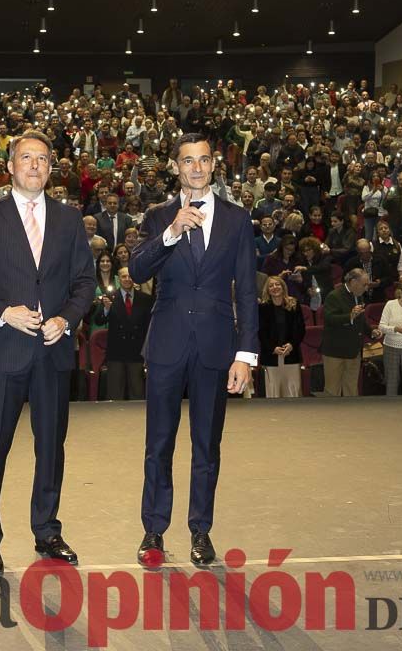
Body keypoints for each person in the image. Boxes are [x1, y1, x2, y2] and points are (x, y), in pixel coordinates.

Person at [0, 130, 95, 574]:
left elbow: (85, 283)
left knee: (51, 447)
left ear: (51, 169)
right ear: (10, 167)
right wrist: (3, 313)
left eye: (42, 159)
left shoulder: (71, 220)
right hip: (6, 349)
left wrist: (66, 319)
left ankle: (47, 530)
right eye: (26, 158)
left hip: (53, 351)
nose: (34, 165)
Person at [129, 133, 258, 568]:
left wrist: (246, 355)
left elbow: (247, 293)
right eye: (188, 161)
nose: (197, 168)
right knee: (158, 444)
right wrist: (170, 232)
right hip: (166, 344)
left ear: (214, 164)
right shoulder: (157, 216)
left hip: (215, 347)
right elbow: (136, 268)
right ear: (176, 167)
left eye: (204, 160)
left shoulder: (238, 220)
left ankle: (201, 530)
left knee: (207, 445)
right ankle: (153, 531)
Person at [91, 265, 152, 400]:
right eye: (124, 276)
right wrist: (106, 309)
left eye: (130, 276)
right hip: (116, 353)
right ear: (119, 279)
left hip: (137, 353)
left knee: (137, 394)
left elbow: (149, 326)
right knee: (115, 394)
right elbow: (98, 320)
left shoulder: (146, 299)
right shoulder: (110, 297)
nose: (127, 279)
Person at [320, 268, 373, 396]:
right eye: (364, 284)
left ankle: (352, 415)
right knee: (332, 390)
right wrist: (350, 316)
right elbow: (329, 319)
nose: (366, 288)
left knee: (352, 389)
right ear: (353, 281)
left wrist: (371, 332)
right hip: (335, 351)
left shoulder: (358, 296)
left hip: (354, 351)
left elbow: (360, 319)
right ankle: (332, 416)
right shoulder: (334, 296)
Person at [257, 275, 306, 397]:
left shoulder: (294, 304)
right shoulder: (262, 308)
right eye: (271, 285)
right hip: (271, 356)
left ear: (283, 286)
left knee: (293, 391)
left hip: (291, 354)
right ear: (267, 290)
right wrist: (272, 348)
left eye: (277, 284)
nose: (275, 287)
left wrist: (291, 345)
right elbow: (261, 332)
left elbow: (300, 329)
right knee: (273, 392)